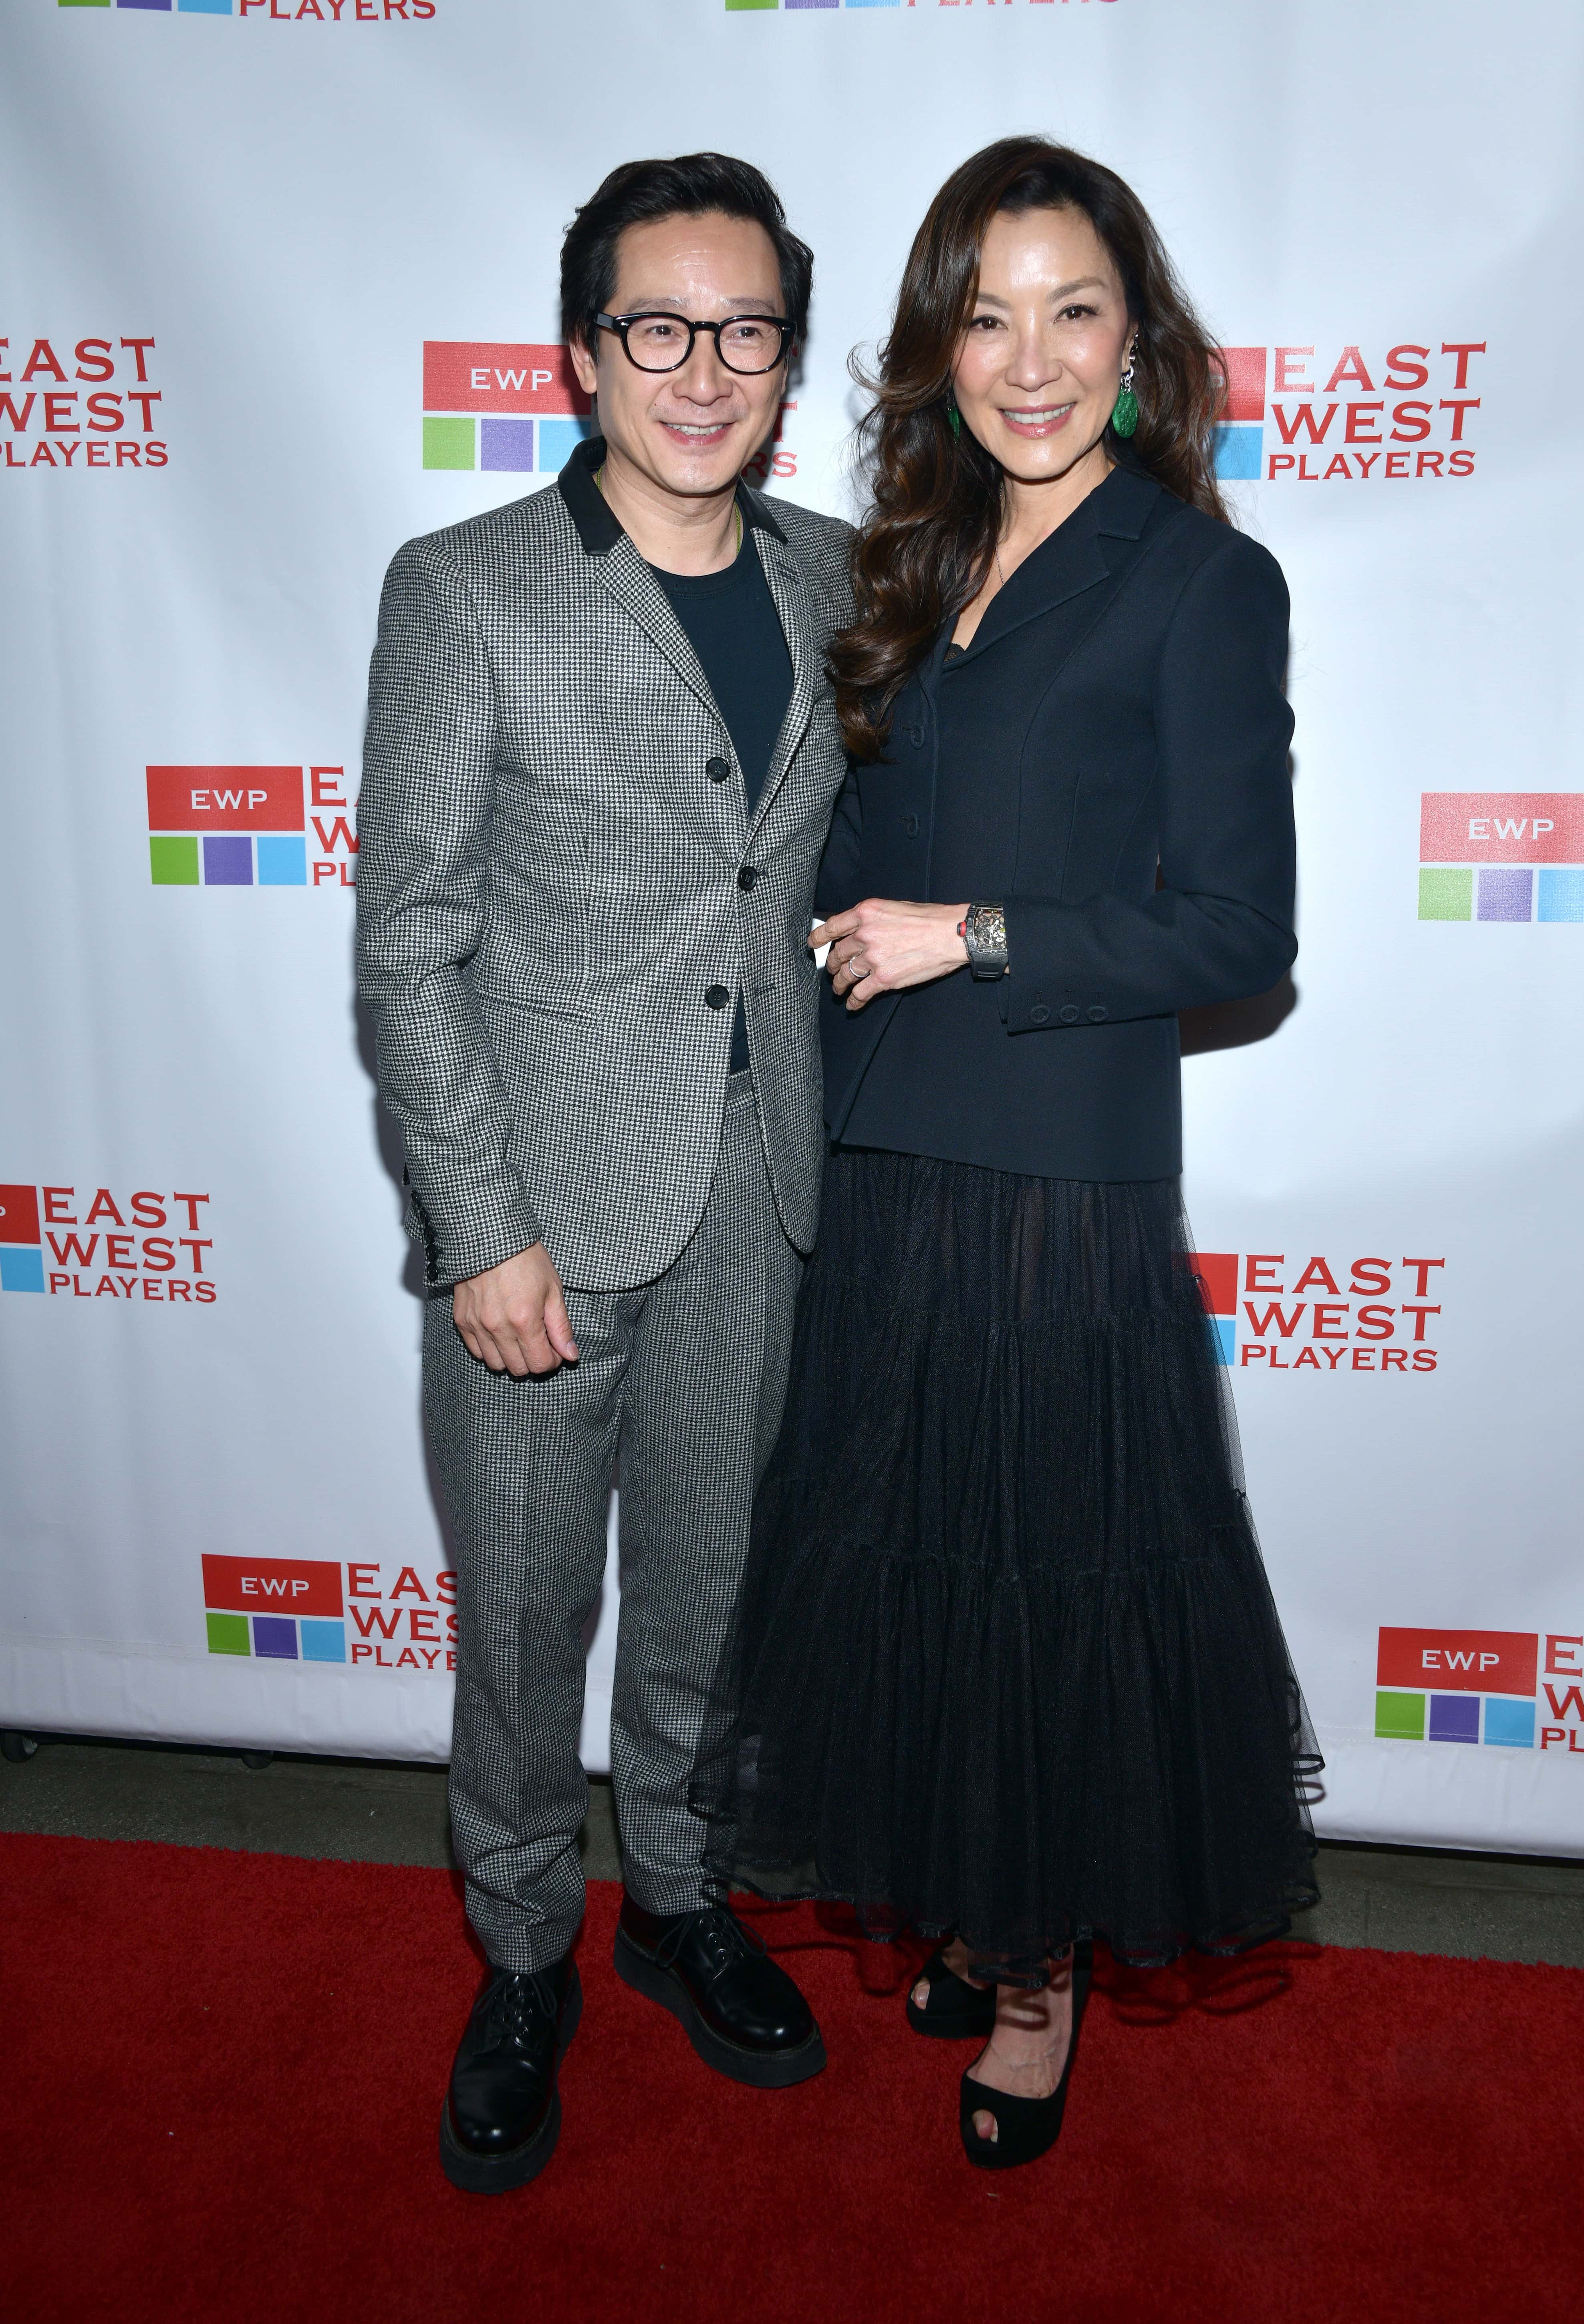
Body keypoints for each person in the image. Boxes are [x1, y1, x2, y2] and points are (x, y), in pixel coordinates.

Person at [693, 138, 1320, 2170]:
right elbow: (842, 864)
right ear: (937, 340)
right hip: (885, 1162)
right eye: (989, 312)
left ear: (1139, 342)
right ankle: (970, 1901)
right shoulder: (907, 561)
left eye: (1075, 310)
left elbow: (1241, 934)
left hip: (1057, 1185)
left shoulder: (1204, 579)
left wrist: (974, 935)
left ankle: (1038, 1981)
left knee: (1049, 1587)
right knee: (916, 1588)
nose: (1029, 359)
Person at [356, 153, 854, 2194]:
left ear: (786, 360)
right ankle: (520, 1958)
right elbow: (410, 942)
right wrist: (477, 1229)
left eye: (745, 332)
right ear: (584, 357)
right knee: (525, 1621)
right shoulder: (466, 588)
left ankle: (676, 1897)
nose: (703, 370)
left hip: (765, 1190)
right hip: (542, 1223)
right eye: (660, 327)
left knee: (716, 1608)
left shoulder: (839, 577)